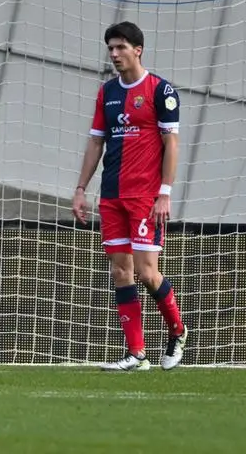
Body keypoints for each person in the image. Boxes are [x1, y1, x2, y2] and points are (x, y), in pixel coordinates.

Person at [72, 21, 187, 372]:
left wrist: (164, 193)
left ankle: (178, 330)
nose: (114, 54)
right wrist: (80, 190)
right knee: (121, 271)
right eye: (110, 48)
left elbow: (171, 143)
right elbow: (95, 142)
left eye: (120, 47)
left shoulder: (160, 90)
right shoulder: (106, 92)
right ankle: (137, 353)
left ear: (138, 49)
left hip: (145, 196)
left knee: (146, 271)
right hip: (112, 195)